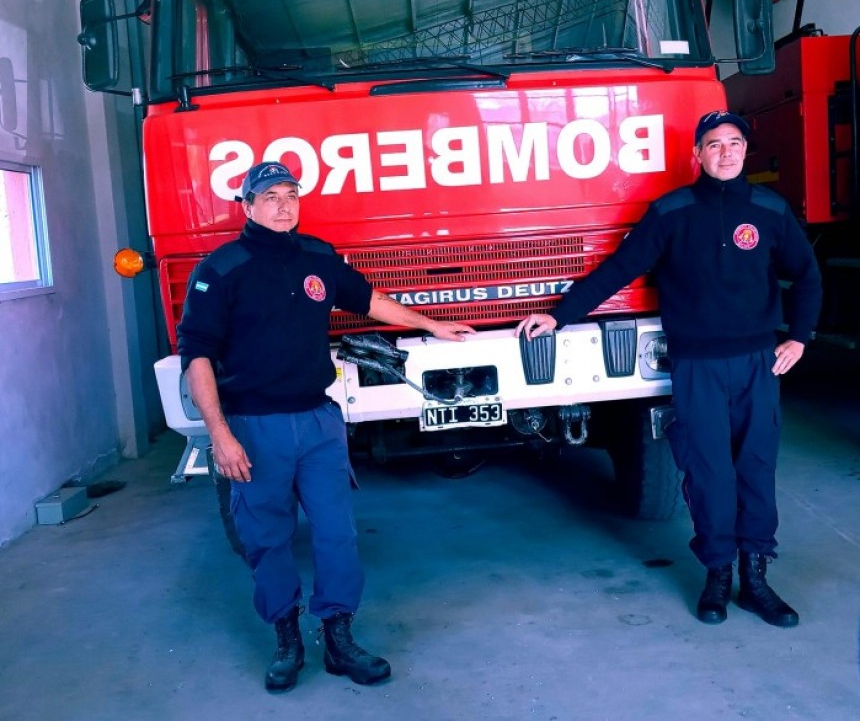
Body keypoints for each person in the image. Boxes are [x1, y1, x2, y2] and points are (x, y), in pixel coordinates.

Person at [516, 110, 822, 629]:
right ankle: (718, 575)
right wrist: (560, 313)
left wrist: (799, 337)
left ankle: (757, 578)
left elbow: (809, 275)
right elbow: (618, 269)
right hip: (697, 364)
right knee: (708, 472)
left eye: (734, 143)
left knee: (755, 467)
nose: (726, 152)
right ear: (696, 155)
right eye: (713, 144)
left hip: (757, 364)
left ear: (745, 150)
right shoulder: (672, 211)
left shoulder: (770, 209)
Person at [177, 161, 475, 692]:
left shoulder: (317, 256)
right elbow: (196, 356)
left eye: (291, 194)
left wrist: (432, 324)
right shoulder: (221, 270)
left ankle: (339, 638)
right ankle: (287, 640)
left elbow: (371, 301)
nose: (283, 204)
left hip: (318, 420)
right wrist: (219, 435)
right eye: (269, 196)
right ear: (246, 205)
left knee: (337, 533)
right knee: (267, 537)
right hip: (253, 425)